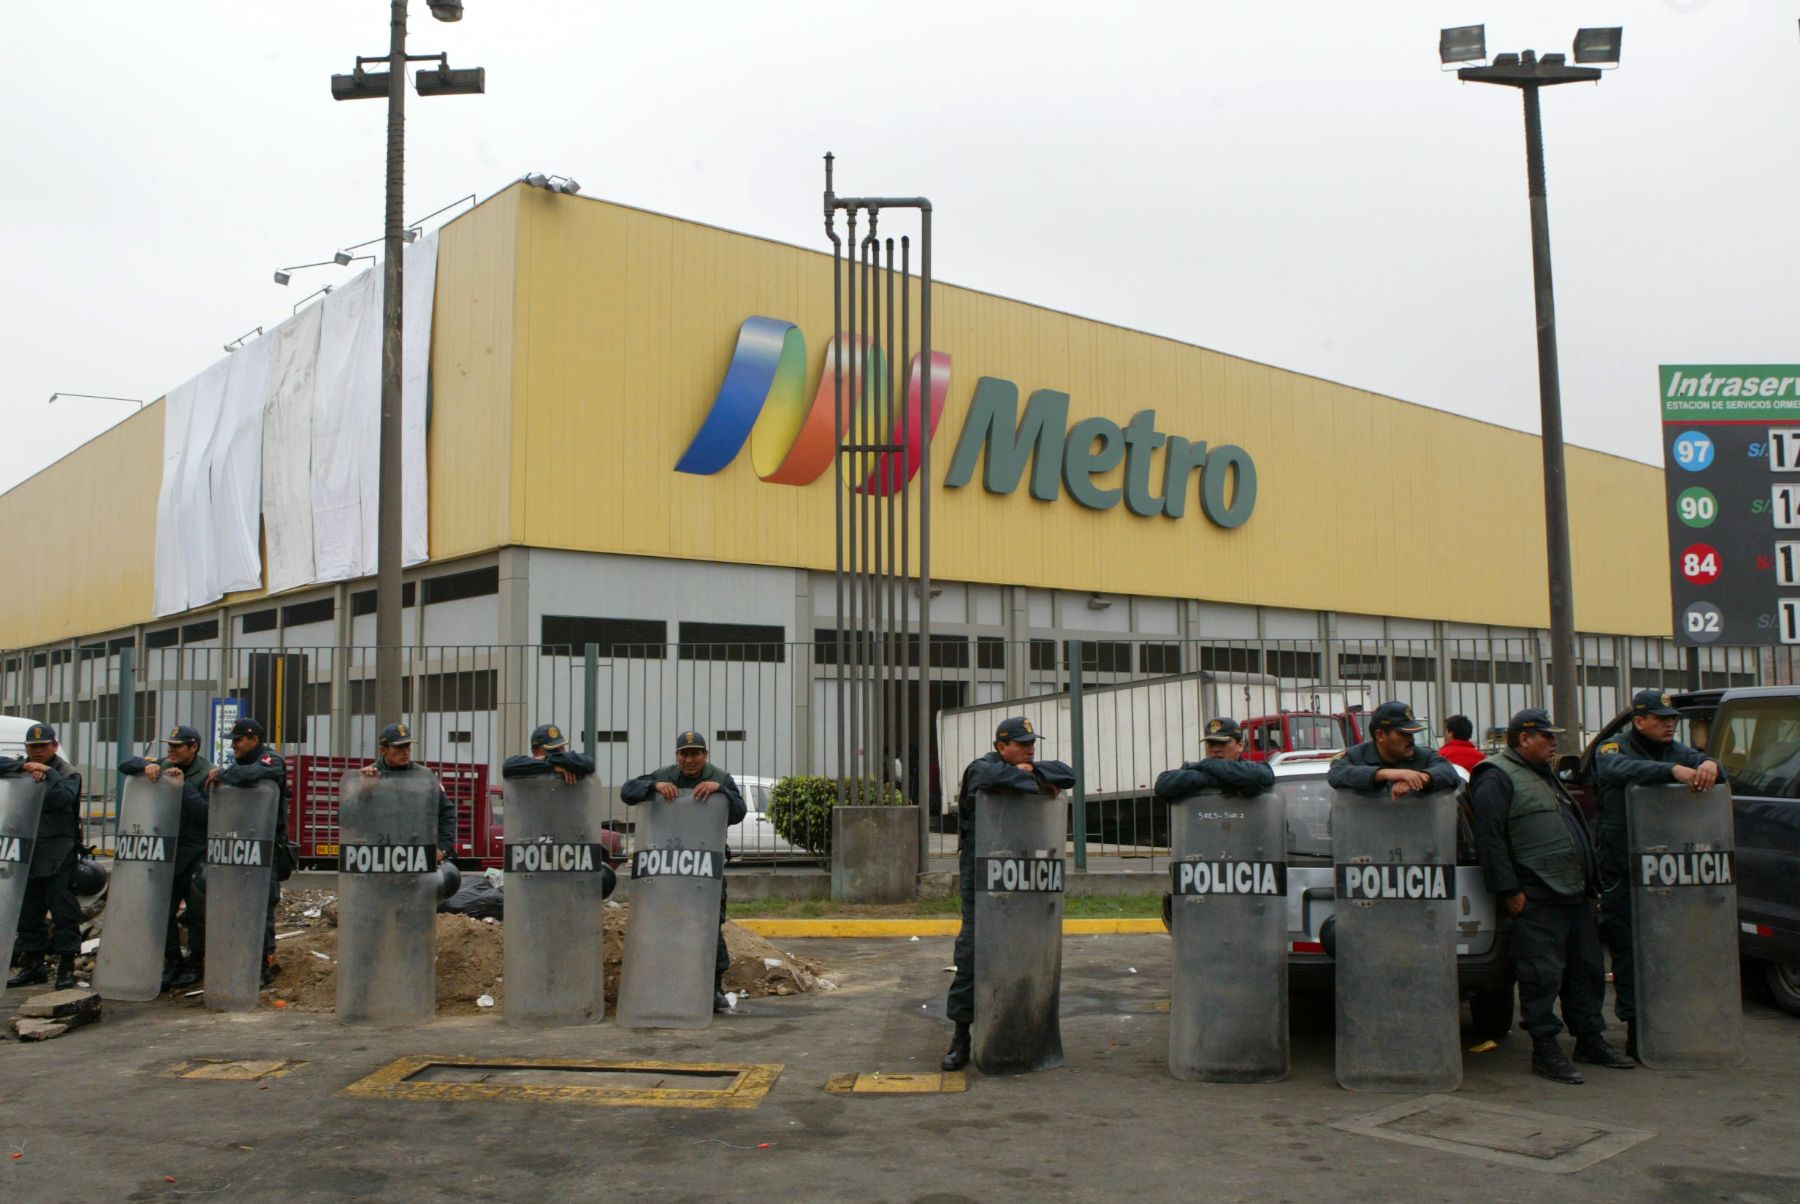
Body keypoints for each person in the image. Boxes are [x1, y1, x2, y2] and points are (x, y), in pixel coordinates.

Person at [1470, 709, 1632, 1084]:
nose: (1554, 743)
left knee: (1586, 971)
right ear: (1523, 738)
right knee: (1541, 976)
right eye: (1546, 737)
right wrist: (1509, 891)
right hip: (1536, 895)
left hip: (1574, 894)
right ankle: (1545, 1049)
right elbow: (1490, 840)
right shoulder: (1496, 776)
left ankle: (1589, 1039)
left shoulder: (1542, 775)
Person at [1592, 688, 1726, 1058]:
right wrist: (1670, 771)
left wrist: (1712, 765)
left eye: (1673, 721)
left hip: (1668, 870)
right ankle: (1636, 1028)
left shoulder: (1677, 750)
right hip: (1624, 869)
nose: (1670, 726)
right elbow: (1615, 769)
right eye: (1661, 720)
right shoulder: (1614, 748)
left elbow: (1714, 769)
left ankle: (1674, 1023)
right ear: (1639, 721)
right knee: (1629, 949)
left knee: (1673, 945)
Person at [941, 716, 1076, 1072]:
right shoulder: (981, 768)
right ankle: (961, 1037)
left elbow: (1068, 774)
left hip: (1022, 874)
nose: (1030, 748)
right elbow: (993, 778)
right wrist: (1037, 780)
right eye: (1022, 743)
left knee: (1026, 951)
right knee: (972, 953)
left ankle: (1021, 1030)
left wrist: (1034, 772)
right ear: (1002, 747)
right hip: (982, 876)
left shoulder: (1026, 763)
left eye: (1032, 742)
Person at [620, 730, 746, 1013]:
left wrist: (720, 791)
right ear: (677, 756)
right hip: (670, 868)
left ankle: (712, 988)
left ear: (705, 755)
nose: (690, 759)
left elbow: (739, 812)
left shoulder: (720, 777)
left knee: (709, 926)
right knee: (665, 925)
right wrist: (653, 786)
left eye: (695, 753)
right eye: (684, 754)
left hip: (704, 869)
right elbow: (628, 792)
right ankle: (665, 984)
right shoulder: (664, 774)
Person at [1153, 717, 1276, 929]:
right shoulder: (1197, 770)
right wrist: (1214, 775)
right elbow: (1164, 785)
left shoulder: (1255, 770)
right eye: (1211, 744)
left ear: (1240, 745)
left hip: (1243, 867)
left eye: (1222, 743)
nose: (1215, 749)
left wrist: (1208, 769)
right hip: (1203, 866)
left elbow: (1260, 779)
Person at [120, 724, 212, 991]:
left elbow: (206, 814)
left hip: (193, 852)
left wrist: (181, 787)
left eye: (177, 746)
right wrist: (145, 767)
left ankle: (196, 962)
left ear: (193, 747)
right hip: (164, 854)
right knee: (161, 912)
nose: (171, 751)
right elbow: (126, 764)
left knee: (197, 914)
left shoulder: (207, 773)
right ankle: (173, 961)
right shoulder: (163, 763)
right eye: (169, 746)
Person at [204, 718, 288, 987]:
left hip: (266, 848)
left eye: (238, 740)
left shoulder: (271, 760)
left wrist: (224, 773)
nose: (234, 745)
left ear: (254, 739)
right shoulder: (241, 763)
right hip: (240, 847)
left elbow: (249, 776)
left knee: (263, 905)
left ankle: (264, 963)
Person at [5, 723, 84, 990]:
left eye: (43, 746)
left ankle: (66, 968)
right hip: (28, 850)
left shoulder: (68, 773)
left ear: (54, 745)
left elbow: (61, 800)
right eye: (32, 747)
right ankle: (33, 965)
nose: (37, 752)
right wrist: (23, 768)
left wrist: (49, 774)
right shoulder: (24, 766)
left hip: (59, 852)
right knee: (29, 912)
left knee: (64, 911)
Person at [502, 724, 613, 899]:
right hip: (538, 843)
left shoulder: (573, 764)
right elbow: (509, 766)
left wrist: (550, 761)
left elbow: (587, 763)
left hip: (567, 841)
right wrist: (549, 766)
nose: (561, 752)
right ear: (537, 750)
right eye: (554, 749)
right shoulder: (527, 769)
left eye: (561, 748)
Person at [359, 722, 458, 865]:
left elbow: (446, 813)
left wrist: (442, 849)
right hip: (379, 855)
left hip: (417, 855)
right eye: (398, 747)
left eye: (407, 746)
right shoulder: (369, 775)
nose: (405, 751)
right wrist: (364, 791)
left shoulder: (424, 776)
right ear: (383, 750)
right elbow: (349, 816)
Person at [1326, 701, 1460, 797]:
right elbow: (1336, 773)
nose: (1411, 739)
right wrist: (1383, 774)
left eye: (1412, 733)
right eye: (1403, 733)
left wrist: (1421, 778)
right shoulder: (1355, 756)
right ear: (1380, 735)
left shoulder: (1425, 756)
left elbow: (1450, 773)